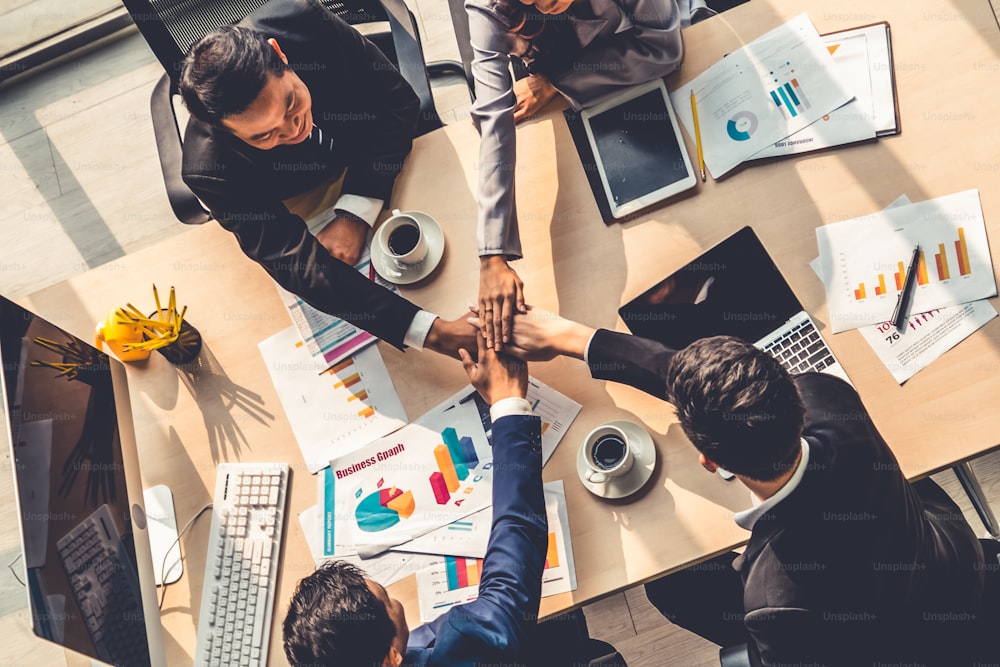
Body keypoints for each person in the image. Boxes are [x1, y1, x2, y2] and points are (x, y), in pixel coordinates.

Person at [498, 311, 988, 665]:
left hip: (892, 646)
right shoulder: (830, 399)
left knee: (671, 587)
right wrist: (581, 340)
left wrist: (572, 337)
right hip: (956, 566)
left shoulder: (774, 603)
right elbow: (716, 386)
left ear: (708, 461)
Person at [178, 0, 473, 356]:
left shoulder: (301, 20)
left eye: (291, 103)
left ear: (279, 54)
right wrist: (430, 332)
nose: (294, 129)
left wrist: (355, 212)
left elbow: (398, 102)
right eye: (263, 136)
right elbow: (295, 264)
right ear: (223, 130)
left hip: (376, 156)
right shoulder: (209, 168)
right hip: (303, 200)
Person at [282, 332, 547, 666]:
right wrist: (509, 406)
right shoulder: (460, 643)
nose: (393, 600)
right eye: (388, 600)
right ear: (392, 657)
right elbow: (516, 546)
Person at [465, 0, 684, 352]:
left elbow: (662, 48)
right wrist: (492, 255)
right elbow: (494, 122)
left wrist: (558, 82)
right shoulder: (489, 6)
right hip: (581, 94)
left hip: (647, 65)